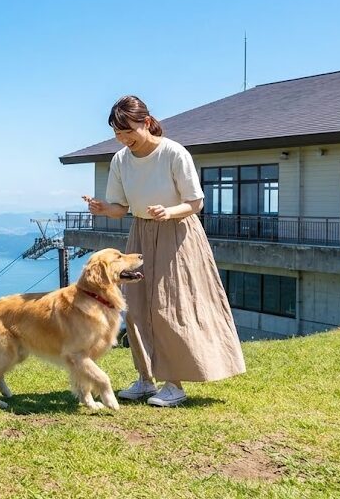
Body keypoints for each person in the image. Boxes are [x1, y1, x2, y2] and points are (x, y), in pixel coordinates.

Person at [84, 95, 246, 407]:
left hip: (177, 232)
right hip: (141, 232)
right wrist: (103, 208)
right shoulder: (121, 160)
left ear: (145, 123)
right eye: (117, 134)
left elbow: (195, 202)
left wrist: (169, 212)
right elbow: (120, 208)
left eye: (127, 131)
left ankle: (174, 383)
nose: (123, 139)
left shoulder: (173, 152)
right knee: (134, 303)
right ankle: (146, 379)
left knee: (170, 304)